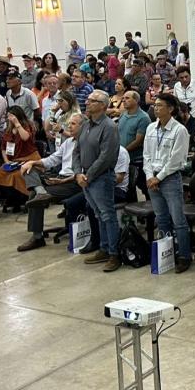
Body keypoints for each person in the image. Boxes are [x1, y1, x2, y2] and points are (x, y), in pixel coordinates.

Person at [17, 114, 85, 251]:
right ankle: (41, 191)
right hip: (59, 177)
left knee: (33, 196)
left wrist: (64, 180)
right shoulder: (68, 142)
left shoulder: (88, 143)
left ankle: (37, 237)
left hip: (74, 182)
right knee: (29, 169)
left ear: (83, 126)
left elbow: (85, 172)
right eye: (69, 123)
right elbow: (52, 160)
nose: (69, 127)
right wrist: (33, 162)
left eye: (73, 124)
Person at [142, 93, 192, 273]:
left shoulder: (179, 130)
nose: (155, 108)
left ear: (170, 109)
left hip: (169, 178)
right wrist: (149, 176)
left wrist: (159, 177)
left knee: (178, 220)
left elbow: (177, 159)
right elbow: (146, 155)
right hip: (152, 179)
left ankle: (185, 256)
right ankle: (166, 255)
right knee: (161, 219)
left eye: (160, 105)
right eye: (154, 105)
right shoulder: (150, 128)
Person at [73, 90, 122, 271]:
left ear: (102, 105)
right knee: (98, 214)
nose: (88, 102)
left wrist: (88, 175)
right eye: (88, 100)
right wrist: (78, 173)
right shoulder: (86, 124)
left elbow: (106, 157)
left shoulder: (109, 126)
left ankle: (114, 254)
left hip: (101, 177)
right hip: (86, 177)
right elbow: (76, 151)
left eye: (92, 101)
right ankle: (104, 248)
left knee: (108, 215)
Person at [0, 106, 40, 209]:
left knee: (16, 175)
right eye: (8, 116)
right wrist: (6, 161)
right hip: (14, 161)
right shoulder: (8, 129)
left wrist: (17, 124)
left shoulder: (27, 125)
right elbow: (3, 148)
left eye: (12, 116)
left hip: (30, 159)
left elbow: (25, 138)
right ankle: (12, 198)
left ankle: (24, 198)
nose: (9, 118)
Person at [117, 91, 150, 199]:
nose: (124, 100)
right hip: (123, 159)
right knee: (129, 189)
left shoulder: (143, 118)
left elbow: (138, 141)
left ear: (136, 100)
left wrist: (122, 152)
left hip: (136, 160)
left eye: (127, 98)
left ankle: (152, 211)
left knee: (145, 187)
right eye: (123, 98)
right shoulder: (123, 114)